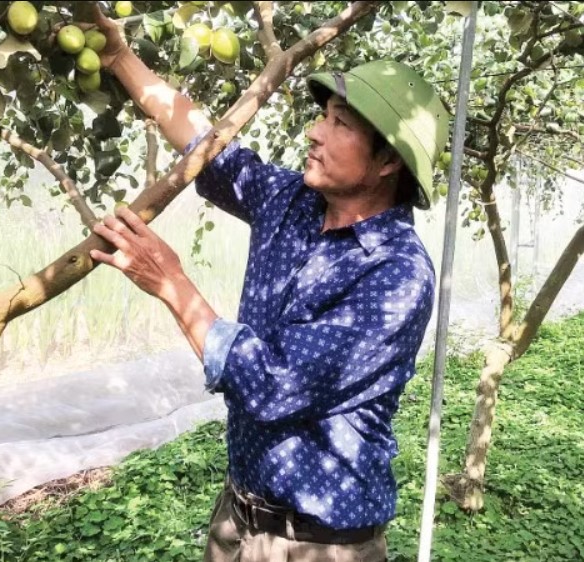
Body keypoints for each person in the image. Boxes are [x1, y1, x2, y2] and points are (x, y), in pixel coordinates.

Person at [87, 10, 449, 562]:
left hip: (318, 545)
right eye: (323, 116)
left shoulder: (397, 275)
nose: (314, 132)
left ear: (387, 163)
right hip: (238, 518)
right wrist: (119, 57)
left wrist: (171, 283)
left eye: (340, 124)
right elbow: (208, 146)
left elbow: (274, 386)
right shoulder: (295, 203)